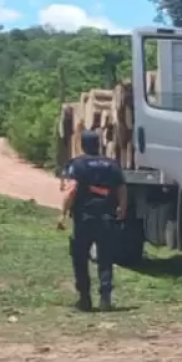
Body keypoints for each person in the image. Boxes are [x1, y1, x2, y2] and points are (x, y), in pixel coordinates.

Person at [57, 130, 127, 312]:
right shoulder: (112, 164)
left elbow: (72, 190)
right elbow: (122, 189)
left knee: (80, 258)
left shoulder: (77, 165)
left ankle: (85, 299)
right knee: (105, 258)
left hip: (84, 219)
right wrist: (122, 208)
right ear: (99, 144)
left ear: (82, 145)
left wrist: (62, 214)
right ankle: (105, 298)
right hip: (106, 218)